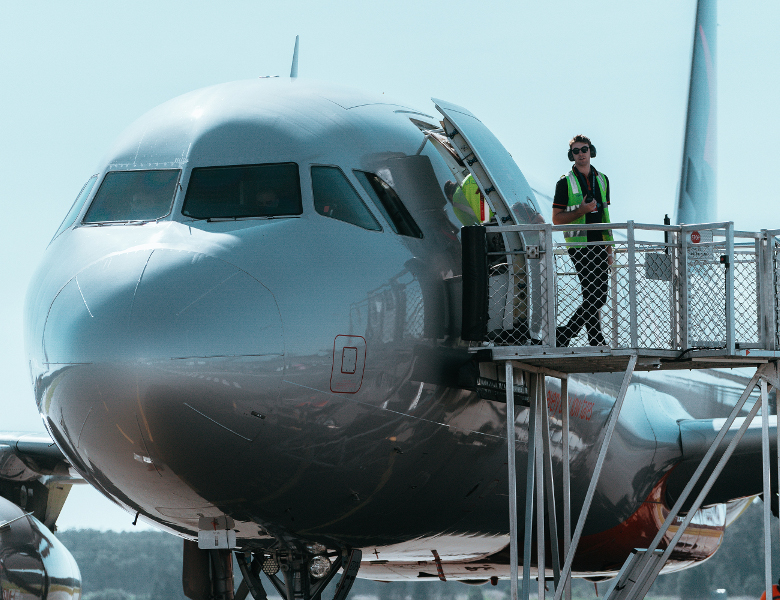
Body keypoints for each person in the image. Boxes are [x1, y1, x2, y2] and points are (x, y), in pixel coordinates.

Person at [552, 134, 613, 347]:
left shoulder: (603, 179)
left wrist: (609, 248)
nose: (581, 154)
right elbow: (556, 220)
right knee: (595, 295)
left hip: (599, 244)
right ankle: (578, 336)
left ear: (591, 151)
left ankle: (576, 335)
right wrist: (582, 210)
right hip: (579, 246)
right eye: (576, 151)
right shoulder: (564, 183)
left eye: (584, 149)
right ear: (572, 155)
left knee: (596, 295)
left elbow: (606, 217)